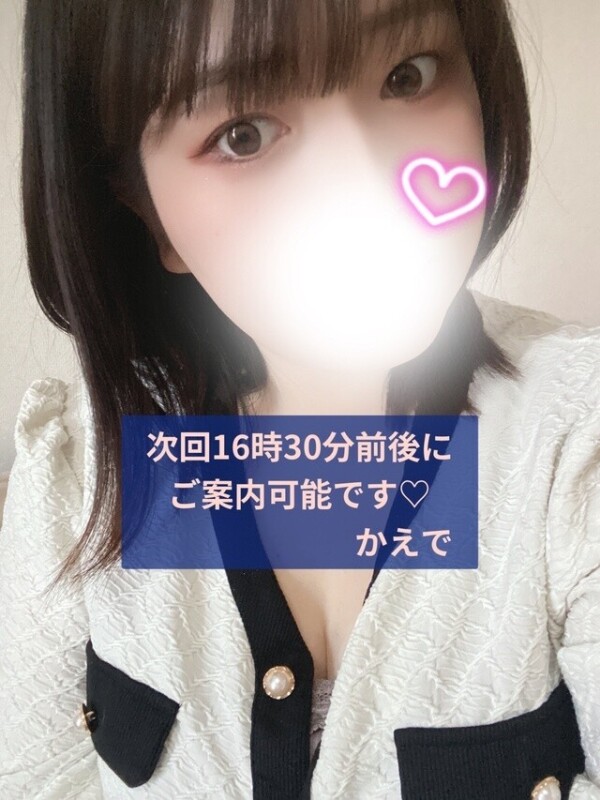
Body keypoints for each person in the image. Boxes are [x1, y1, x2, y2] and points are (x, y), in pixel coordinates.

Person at [0, 0, 599, 797]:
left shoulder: (577, 444)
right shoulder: (81, 465)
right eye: (243, 134)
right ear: (147, 211)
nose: (370, 185)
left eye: (408, 75)